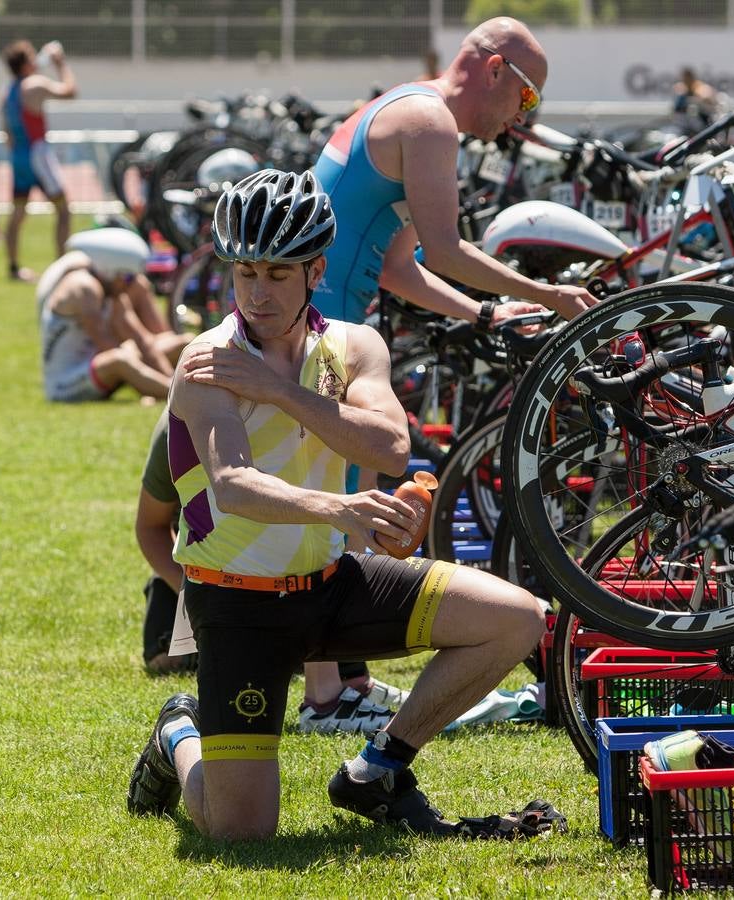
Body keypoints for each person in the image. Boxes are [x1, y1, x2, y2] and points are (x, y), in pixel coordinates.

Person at [126, 170, 546, 840]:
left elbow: (388, 445)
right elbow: (233, 487)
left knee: (515, 619)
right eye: (245, 275)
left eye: (277, 275)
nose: (257, 294)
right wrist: (340, 511)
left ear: (316, 270)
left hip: (329, 584)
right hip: (237, 604)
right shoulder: (206, 360)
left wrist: (280, 390)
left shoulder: (354, 344)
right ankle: (179, 730)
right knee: (241, 832)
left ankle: (377, 770)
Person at [311, 17, 597, 331]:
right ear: (495, 69)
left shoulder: (413, 101)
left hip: (314, 311)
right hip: (321, 317)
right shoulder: (429, 121)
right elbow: (444, 253)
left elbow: (396, 268)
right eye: (528, 96)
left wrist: (486, 313)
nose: (522, 116)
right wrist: (550, 295)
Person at [136, 408, 410, 723]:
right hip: (205, 583)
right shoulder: (187, 420)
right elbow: (150, 528)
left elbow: (347, 543)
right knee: (183, 663)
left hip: (297, 587)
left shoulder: (343, 418)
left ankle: (350, 684)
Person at [38, 227, 189, 402]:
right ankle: (180, 398)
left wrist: (169, 377)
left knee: (183, 344)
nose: (131, 284)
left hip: (97, 366)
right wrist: (166, 387)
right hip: (65, 385)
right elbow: (106, 345)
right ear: (111, 270)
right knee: (121, 358)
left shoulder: (113, 291)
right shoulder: (83, 288)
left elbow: (143, 341)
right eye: (128, 278)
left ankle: (176, 391)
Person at [2, 39, 77, 281]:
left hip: (18, 157)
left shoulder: (7, 93)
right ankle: (61, 269)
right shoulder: (33, 85)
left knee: (17, 213)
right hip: (38, 154)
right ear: (24, 64)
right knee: (64, 210)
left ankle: (14, 268)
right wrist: (60, 63)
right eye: (32, 57)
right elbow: (70, 91)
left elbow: (8, 135)